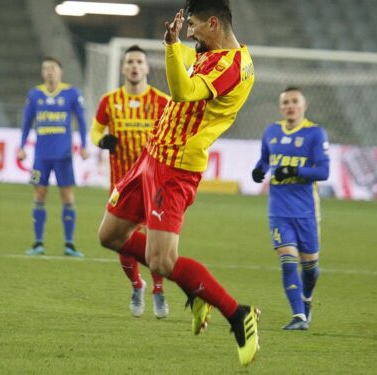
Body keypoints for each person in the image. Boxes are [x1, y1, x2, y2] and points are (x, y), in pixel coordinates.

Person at [97, 1, 260, 366]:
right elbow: (188, 59)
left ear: (214, 24)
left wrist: (171, 47)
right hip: (151, 155)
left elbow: (185, 92)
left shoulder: (233, 69)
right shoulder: (213, 49)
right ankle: (194, 288)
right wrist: (175, 42)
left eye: (195, 26)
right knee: (110, 235)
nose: (190, 33)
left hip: (176, 168)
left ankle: (239, 316)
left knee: (160, 263)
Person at [91, 45, 171, 319]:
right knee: (121, 239)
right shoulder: (109, 101)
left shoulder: (162, 102)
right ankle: (137, 285)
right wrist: (102, 141)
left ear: (147, 68)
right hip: (121, 185)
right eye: (130, 62)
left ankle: (158, 289)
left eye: (139, 61)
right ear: (123, 68)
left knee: (155, 240)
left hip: (154, 183)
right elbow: (95, 131)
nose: (135, 66)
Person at [251, 87, 330, 330]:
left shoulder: (315, 133)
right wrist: (258, 170)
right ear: (280, 107)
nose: (290, 106)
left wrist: (295, 171)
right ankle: (298, 317)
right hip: (279, 209)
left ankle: (306, 300)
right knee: (287, 261)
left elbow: (323, 172)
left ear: (304, 106)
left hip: (306, 211)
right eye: (285, 102)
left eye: (295, 101)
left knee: (310, 268)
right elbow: (265, 160)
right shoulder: (271, 132)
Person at [18, 57, 89, 257]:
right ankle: (38, 243)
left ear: (60, 71)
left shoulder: (72, 93)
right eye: (46, 69)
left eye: (53, 68)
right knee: (38, 194)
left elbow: (82, 121)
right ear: (42, 73)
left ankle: (69, 244)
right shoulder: (34, 94)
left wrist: (84, 145)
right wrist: (21, 146)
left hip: (64, 156)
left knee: (67, 196)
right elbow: (26, 122)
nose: (49, 72)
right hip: (39, 157)